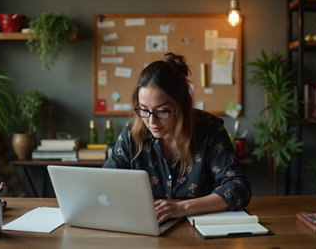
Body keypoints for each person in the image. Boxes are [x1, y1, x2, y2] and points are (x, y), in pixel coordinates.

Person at [103, 52, 251, 223]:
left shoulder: (209, 130)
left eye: (161, 111)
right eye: (143, 109)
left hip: (198, 228)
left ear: (182, 106)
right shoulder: (132, 133)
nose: (151, 121)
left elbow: (239, 188)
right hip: (146, 227)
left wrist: (182, 207)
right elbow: (106, 183)